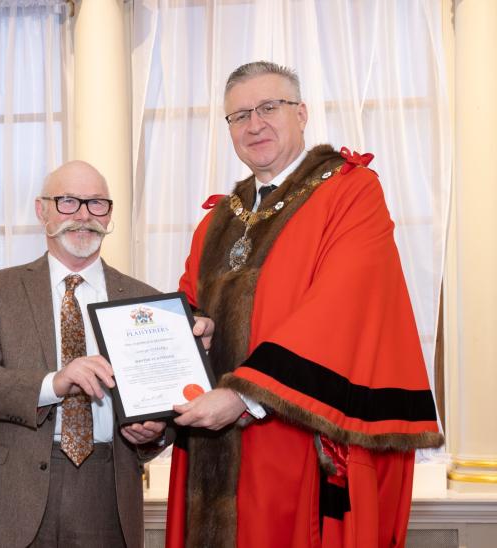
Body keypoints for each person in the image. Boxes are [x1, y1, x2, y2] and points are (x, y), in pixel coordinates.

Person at [165, 61, 444, 547]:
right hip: (211, 450)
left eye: (269, 107)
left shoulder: (350, 191)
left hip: (298, 444)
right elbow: (187, 305)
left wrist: (242, 397)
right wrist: (191, 333)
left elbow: (342, 309)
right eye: (239, 115)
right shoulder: (215, 222)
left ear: (302, 113)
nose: (254, 124)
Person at [0, 160, 211, 548]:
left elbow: (169, 402)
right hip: (12, 495)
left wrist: (154, 432)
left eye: (97, 204)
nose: (84, 216)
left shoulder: (146, 301)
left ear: (110, 214)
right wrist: (53, 383)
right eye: (68, 202)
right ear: (42, 210)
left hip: (107, 491)